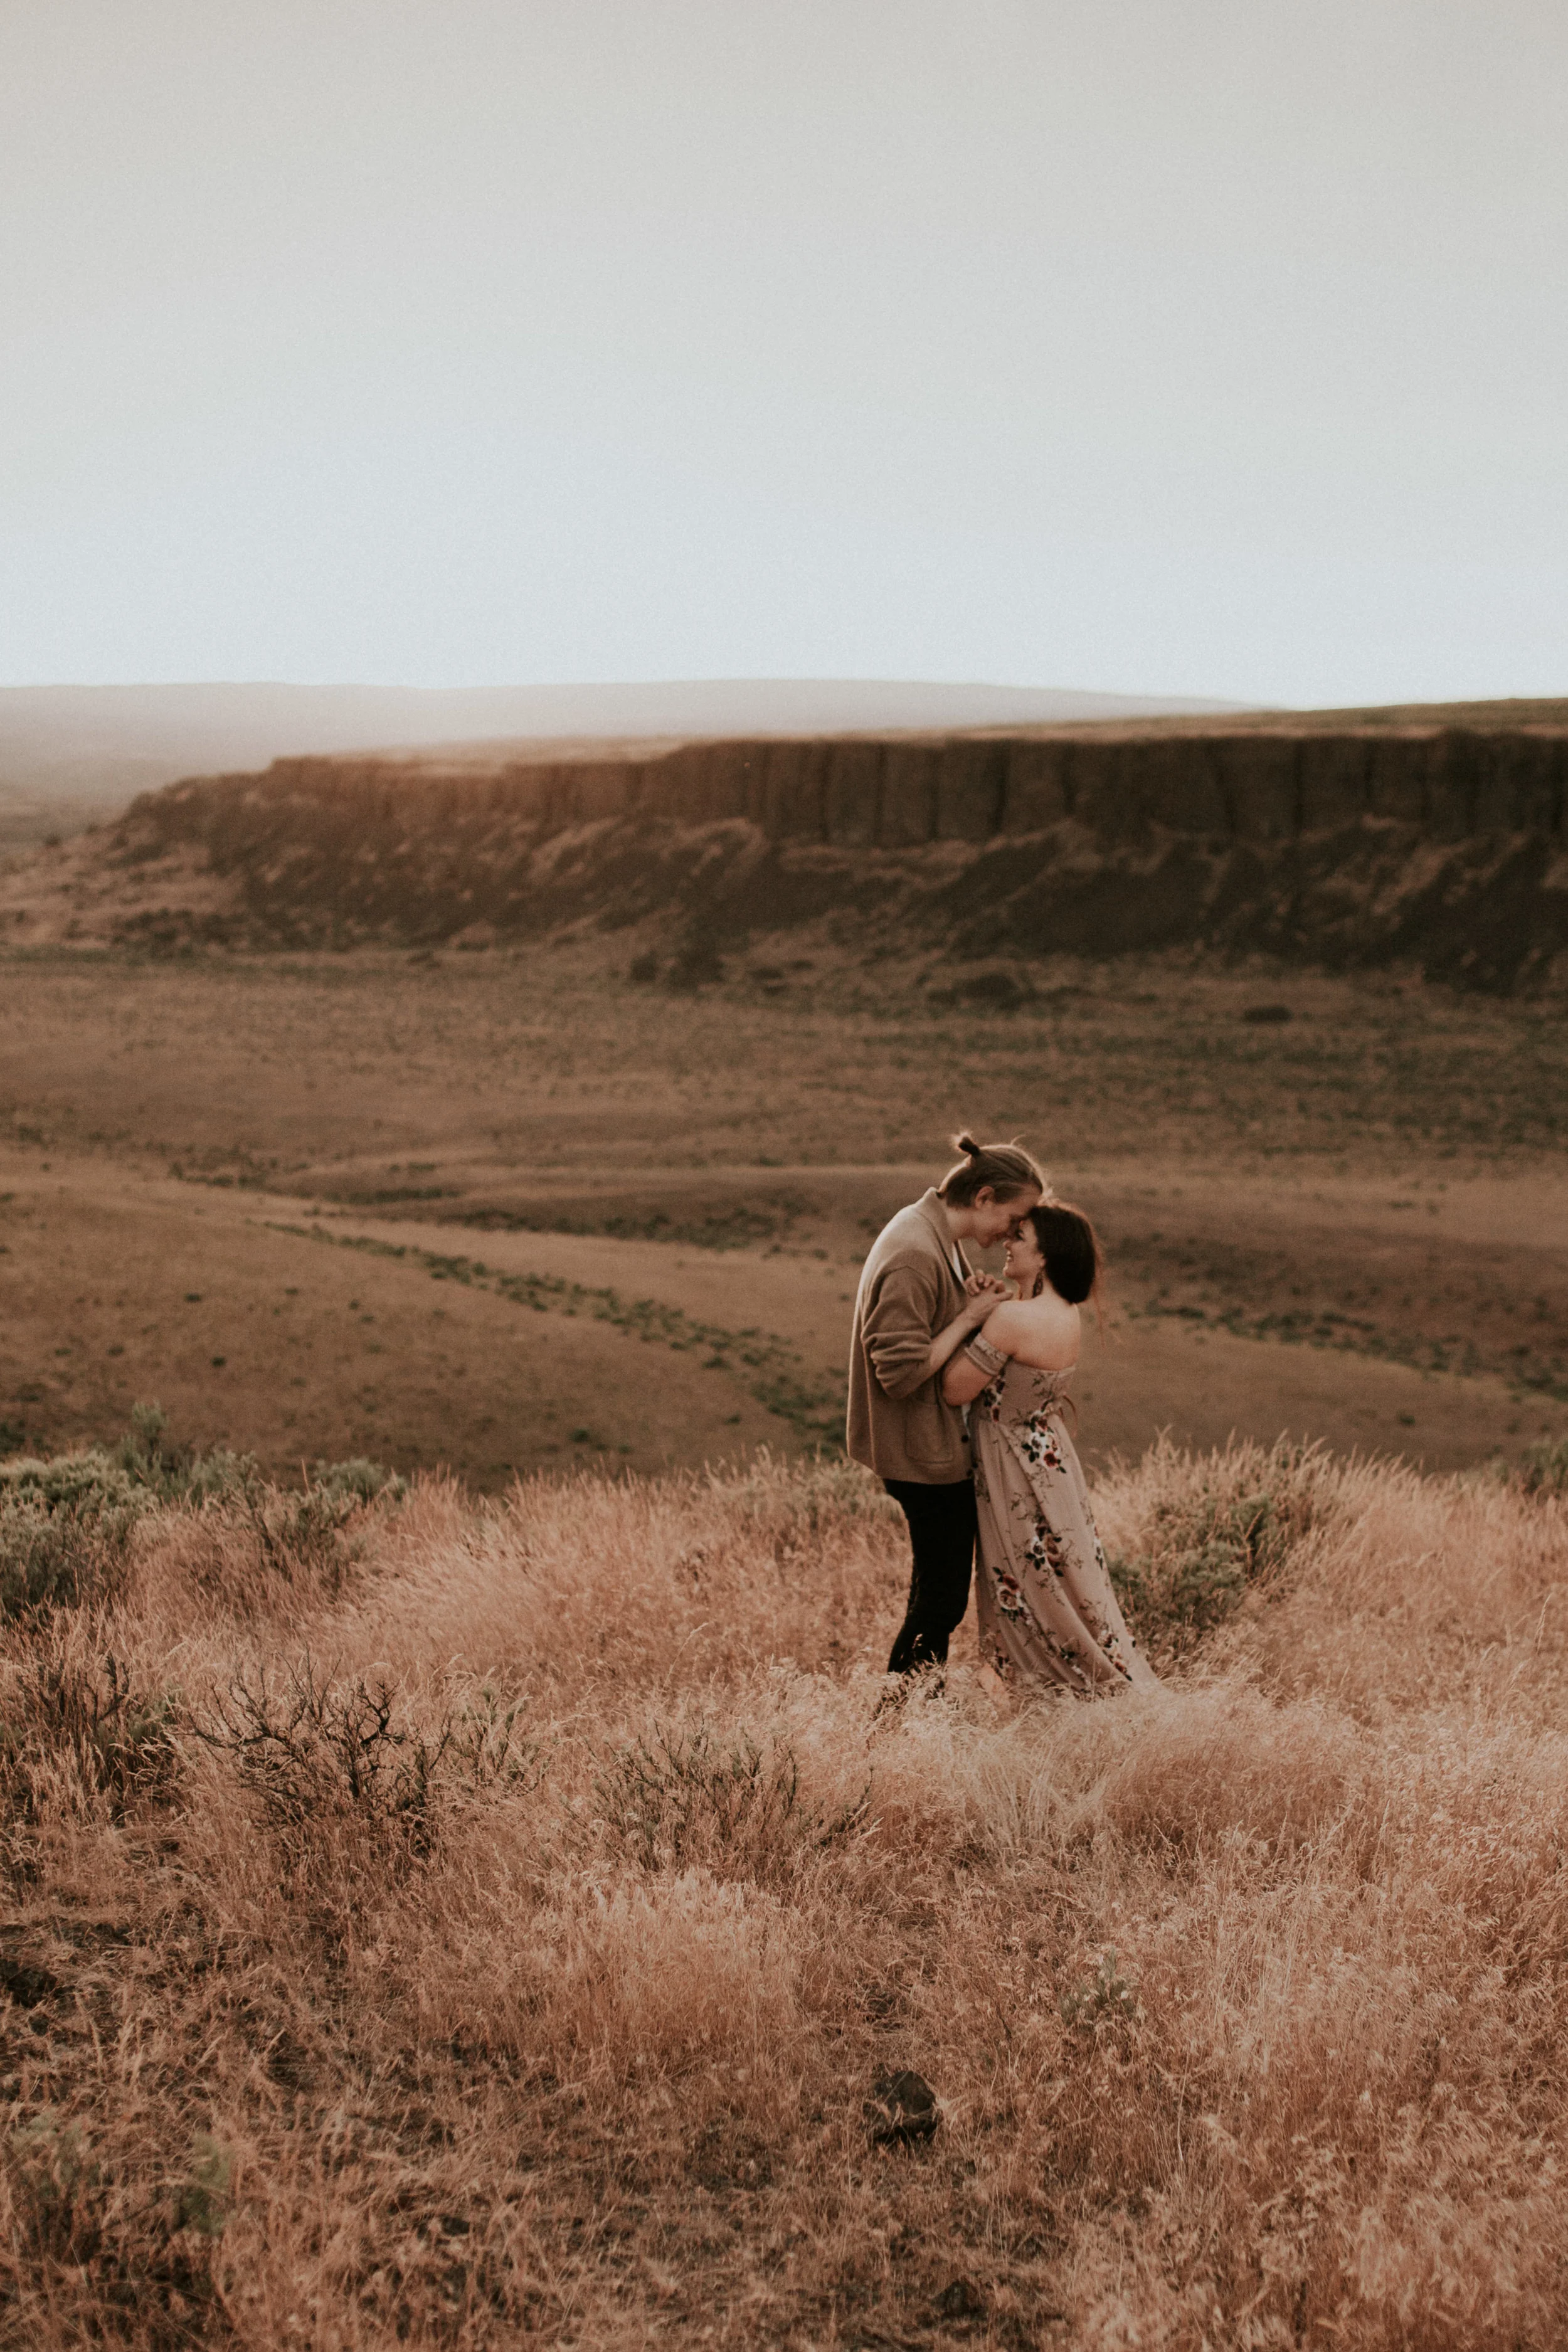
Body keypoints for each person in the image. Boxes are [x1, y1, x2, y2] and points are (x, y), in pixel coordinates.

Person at [847, 1134, 1046, 1677]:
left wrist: (966, 1300)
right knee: (940, 1604)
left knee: (933, 1598)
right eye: (1014, 1216)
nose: (1012, 1231)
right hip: (923, 1456)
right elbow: (902, 1372)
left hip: (929, 1448)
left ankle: (909, 1722)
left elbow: (923, 1324)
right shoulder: (914, 1251)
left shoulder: (930, 1233)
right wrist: (969, 1316)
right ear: (983, 1197)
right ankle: (899, 1728)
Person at [941, 1202, 1157, 1695]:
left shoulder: (1015, 1319)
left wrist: (970, 1316)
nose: (1008, 1242)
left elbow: (955, 1389)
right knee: (1066, 1583)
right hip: (1050, 1462)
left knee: (1026, 1583)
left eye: (1021, 1236)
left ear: (1045, 1257)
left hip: (1013, 1468)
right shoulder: (1065, 1314)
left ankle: (1050, 1691)